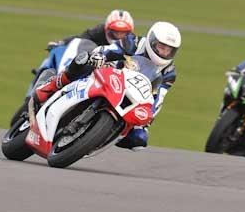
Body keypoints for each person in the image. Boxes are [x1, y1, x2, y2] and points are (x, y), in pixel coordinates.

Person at [34, 20, 181, 151]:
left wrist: (147, 119)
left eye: (169, 50)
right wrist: (100, 56)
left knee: (139, 139)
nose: (164, 52)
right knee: (84, 61)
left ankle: (101, 137)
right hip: (110, 72)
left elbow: (158, 98)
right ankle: (52, 85)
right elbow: (110, 50)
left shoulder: (169, 72)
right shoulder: (134, 42)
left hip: (132, 95)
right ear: (152, 41)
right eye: (161, 47)